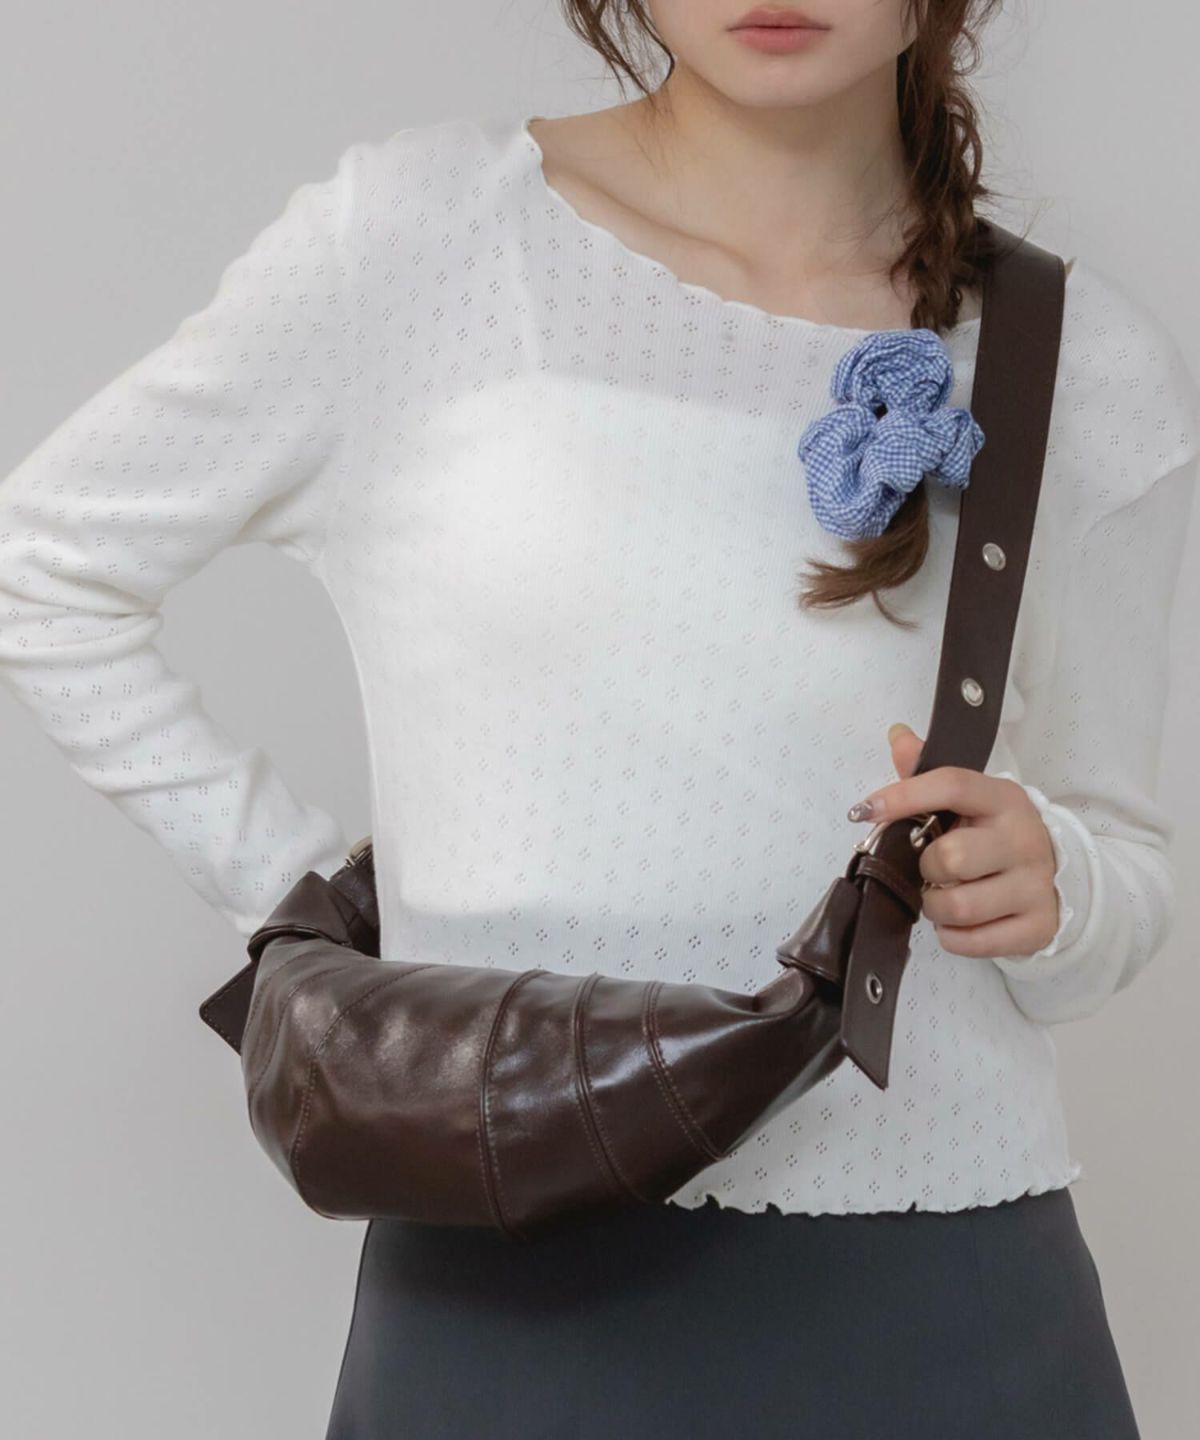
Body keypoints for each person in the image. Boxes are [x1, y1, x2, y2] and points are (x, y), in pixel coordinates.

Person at [1, 2, 1195, 1436]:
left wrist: (1057, 886)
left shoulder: (1085, 362)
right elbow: (44, 570)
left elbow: (1121, 867)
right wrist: (320, 914)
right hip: (512, 1265)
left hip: (947, 1282)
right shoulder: (423, 240)